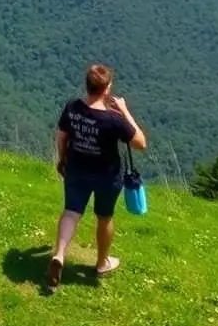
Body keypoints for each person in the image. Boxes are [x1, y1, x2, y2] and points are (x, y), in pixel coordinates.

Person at [47, 63, 147, 289]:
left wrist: (62, 159)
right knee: (104, 217)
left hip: (76, 168)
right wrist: (124, 110)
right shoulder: (114, 119)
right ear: (107, 88)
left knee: (71, 212)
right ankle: (101, 264)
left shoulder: (72, 107)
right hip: (107, 176)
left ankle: (60, 254)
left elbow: (61, 136)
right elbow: (141, 143)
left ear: (87, 85)